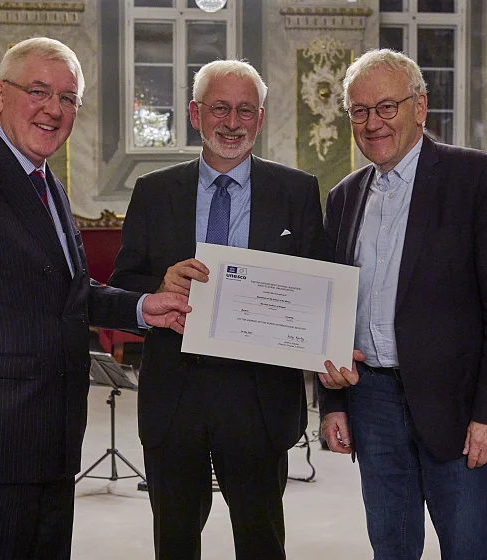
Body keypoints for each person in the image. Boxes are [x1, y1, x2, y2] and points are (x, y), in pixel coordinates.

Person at [0, 37, 190, 560]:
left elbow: (70, 292)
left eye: (68, 98)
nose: (54, 109)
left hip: (51, 445)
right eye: (39, 91)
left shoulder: (47, 184)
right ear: (0, 95)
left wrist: (145, 308)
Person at [108, 59, 327, 559]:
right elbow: (123, 286)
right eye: (220, 109)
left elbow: (317, 291)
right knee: (176, 542)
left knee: (261, 540)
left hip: (260, 398)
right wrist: (160, 283)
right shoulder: (154, 191)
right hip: (175, 397)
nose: (232, 123)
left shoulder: (297, 192)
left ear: (261, 117)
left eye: (245, 110)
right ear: (194, 113)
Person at [317, 49, 487, 560]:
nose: (373, 123)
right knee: (390, 546)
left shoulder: (475, 178)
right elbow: (332, 309)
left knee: (468, 548)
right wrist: (334, 403)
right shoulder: (344, 197)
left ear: (420, 107)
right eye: (359, 111)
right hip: (371, 401)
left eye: (387, 106)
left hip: (456, 407)